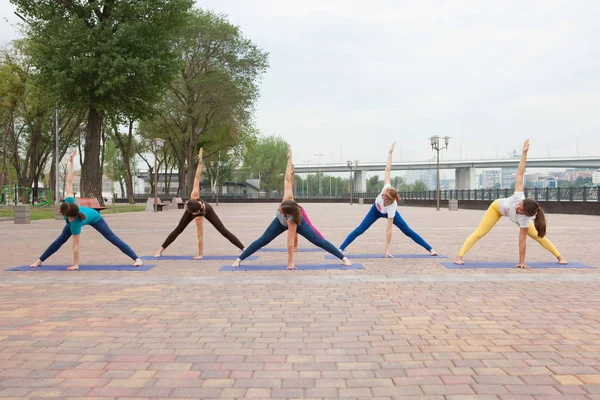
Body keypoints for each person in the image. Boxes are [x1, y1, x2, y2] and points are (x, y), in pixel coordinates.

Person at [231, 146, 352, 270]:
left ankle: (343, 258)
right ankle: (239, 259)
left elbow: (290, 242)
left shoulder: (292, 221)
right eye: (280, 206)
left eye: (281, 210)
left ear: (286, 214)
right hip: (279, 222)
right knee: (263, 240)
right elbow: (287, 179)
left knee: (318, 241)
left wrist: (290, 262)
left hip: (299, 223)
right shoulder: (287, 198)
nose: (278, 208)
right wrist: (289, 159)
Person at [454, 139, 567, 268]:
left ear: (525, 214)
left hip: (515, 217)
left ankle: (559, 256)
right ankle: (459, 256)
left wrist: (521, 262)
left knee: (537, 236)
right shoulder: (519, 196)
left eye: (520, 208)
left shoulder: (524, 220)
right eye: (520, 204)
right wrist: (524, 154)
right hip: (496, 208)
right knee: (480, 232)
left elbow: (522, 241)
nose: (517, 206)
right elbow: (520, 173)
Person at [30, 150, 143, 270]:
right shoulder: (69, 202)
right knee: (60, 240)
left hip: (95, 217)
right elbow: (69, 181)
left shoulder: (75, 223)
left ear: (67, 215)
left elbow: (75, 246)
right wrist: (71, 163)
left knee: (111, 237)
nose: (59, 211)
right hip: (81, 215)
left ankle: (137, 258)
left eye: (60, 211)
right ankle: (39, 260)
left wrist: (76, 265)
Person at [339, 142, 438, 258]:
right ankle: (340, 249)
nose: (382, 195)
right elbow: (387, 170)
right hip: (375, 211)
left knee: (407, 231)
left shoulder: (392, 207)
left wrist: (387, 249)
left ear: (390, 199)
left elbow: (389, 230)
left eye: (384, 196)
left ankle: (430, 249)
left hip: (388, 213)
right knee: (359, 230)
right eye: (383, 194)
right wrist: (390, 153)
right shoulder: (386, 188)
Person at [154, 147, 244, 259]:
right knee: (179, 229)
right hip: (195, 207)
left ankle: (244, 248)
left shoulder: (198, 215)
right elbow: (197, 177)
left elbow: (200, 236)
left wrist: (200, 254)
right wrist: (200, 162)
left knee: (223, 230)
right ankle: (160, 249)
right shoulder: (194, 194)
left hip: (208, 210)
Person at [290, 164, 325, 251]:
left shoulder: (289, 194)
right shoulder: (286, 198)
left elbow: (291, 185)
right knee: (294, 229)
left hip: (299, 210)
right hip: (291, 211)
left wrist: (292, 174)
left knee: (309, 226)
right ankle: (295, 247)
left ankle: (323, 240)